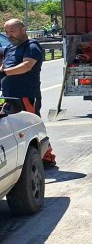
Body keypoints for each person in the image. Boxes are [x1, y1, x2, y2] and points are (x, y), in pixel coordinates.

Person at [1, 19, 55, 167]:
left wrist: (5, 72)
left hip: (27, 95)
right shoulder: (9, 48)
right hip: (9, 95)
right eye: (7, 32)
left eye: (12, 31)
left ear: (23, 29)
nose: (9, 35)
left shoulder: (32, 46)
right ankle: (23, 159)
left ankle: (47, 158)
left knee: (32, 126)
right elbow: (4, 65)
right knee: (15, 128)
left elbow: (27, 66)